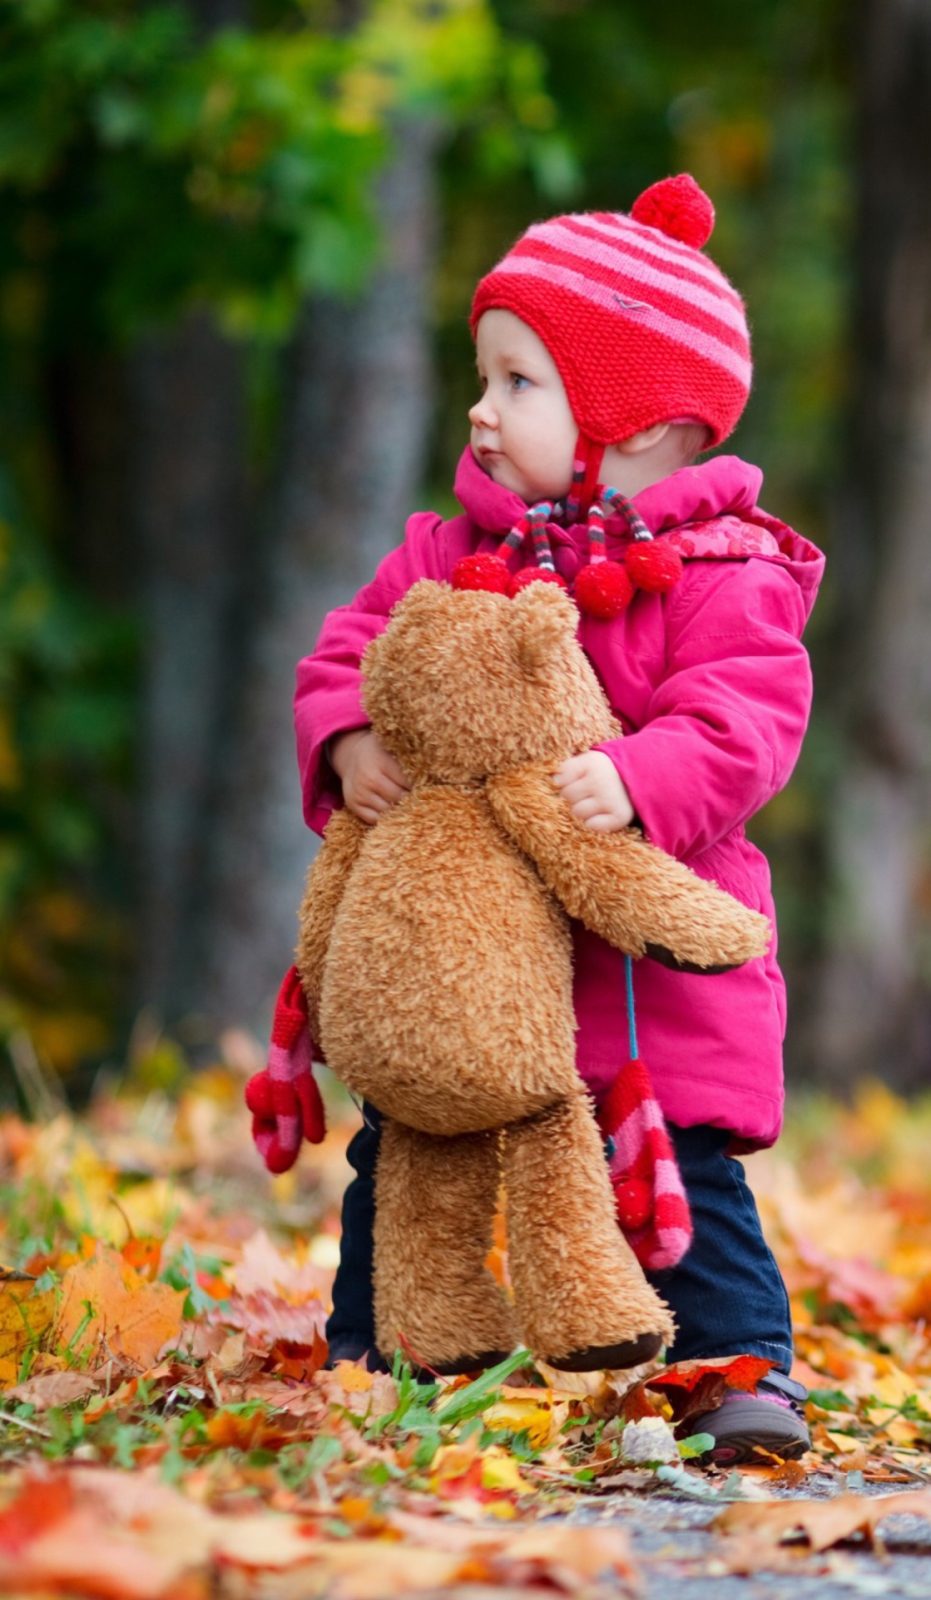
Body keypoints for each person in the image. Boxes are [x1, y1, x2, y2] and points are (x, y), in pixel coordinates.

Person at [293, 175, 823, 1464]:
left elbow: (749, 717)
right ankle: (382, 1354)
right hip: (469, 965)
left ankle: (733, 1372)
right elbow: (345, 653)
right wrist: (349, 737)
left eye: (521, 383)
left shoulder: (721, 573)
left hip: (647, 977)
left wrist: (645, 781)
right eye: (484, 375)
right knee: (405, 1150)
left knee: (678, 1181)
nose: (481, 409)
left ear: (641, 423)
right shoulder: (445, 555)